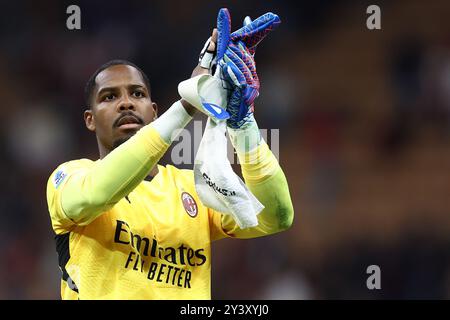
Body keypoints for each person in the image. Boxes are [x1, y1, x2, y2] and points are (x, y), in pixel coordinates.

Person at [46, 15, 294, 300]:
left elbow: (276, 217)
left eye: (136, 93)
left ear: (153, 111)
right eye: (109, 97)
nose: (126, 102)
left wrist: (243, 121)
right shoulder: (67, 178)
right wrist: (188, 104)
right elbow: (96, 195)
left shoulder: (193, 188)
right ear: (90, 120)